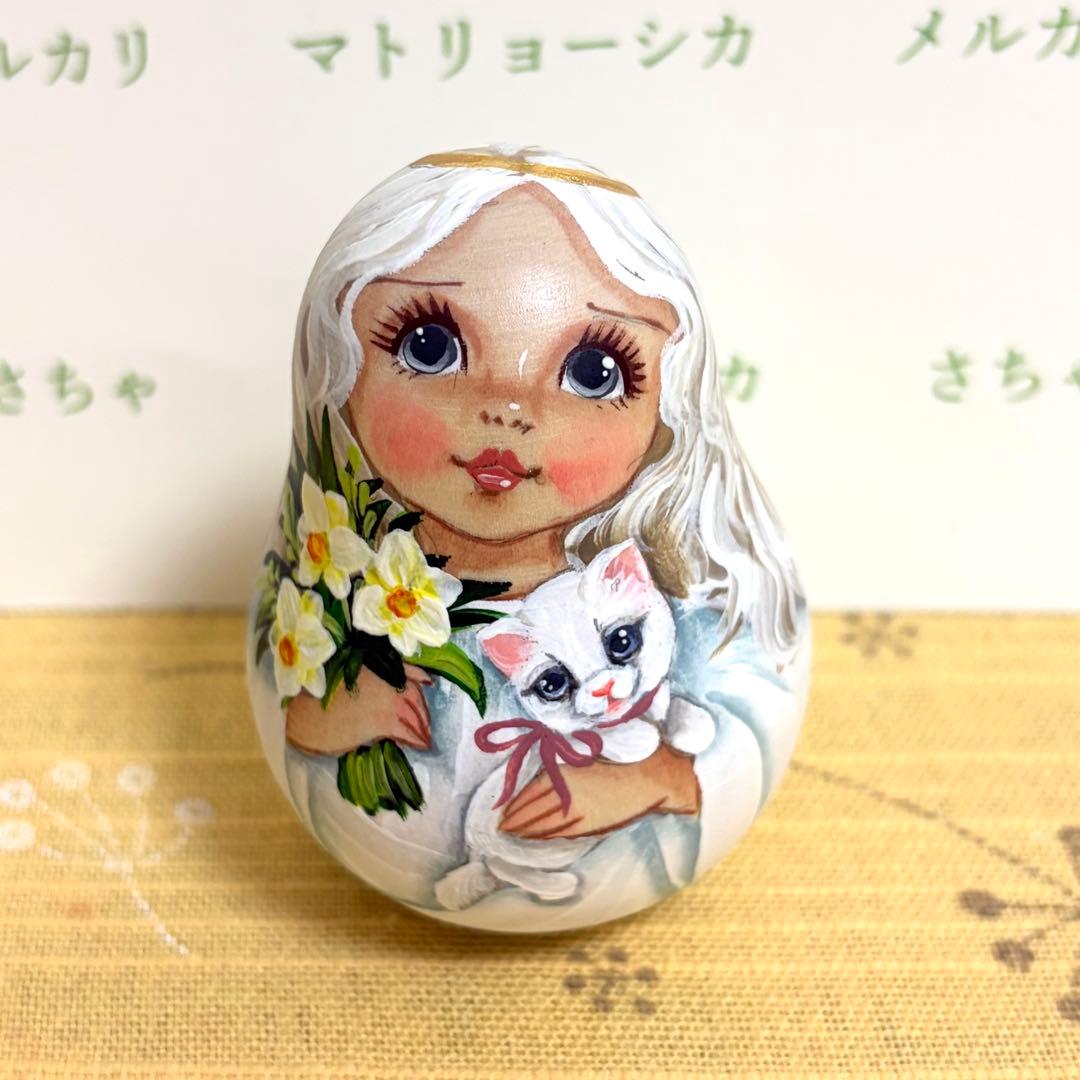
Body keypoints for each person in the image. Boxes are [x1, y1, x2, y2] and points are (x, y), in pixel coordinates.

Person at [247, 146, 811, 931]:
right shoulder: (346, 604)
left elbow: (753, 701)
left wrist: (662, 780)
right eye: (429, 348)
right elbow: (293, 725)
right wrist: (322, 720)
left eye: (593, 370)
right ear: (342, 374)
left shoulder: (665, 600)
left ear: (666, 408)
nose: (507, 408)